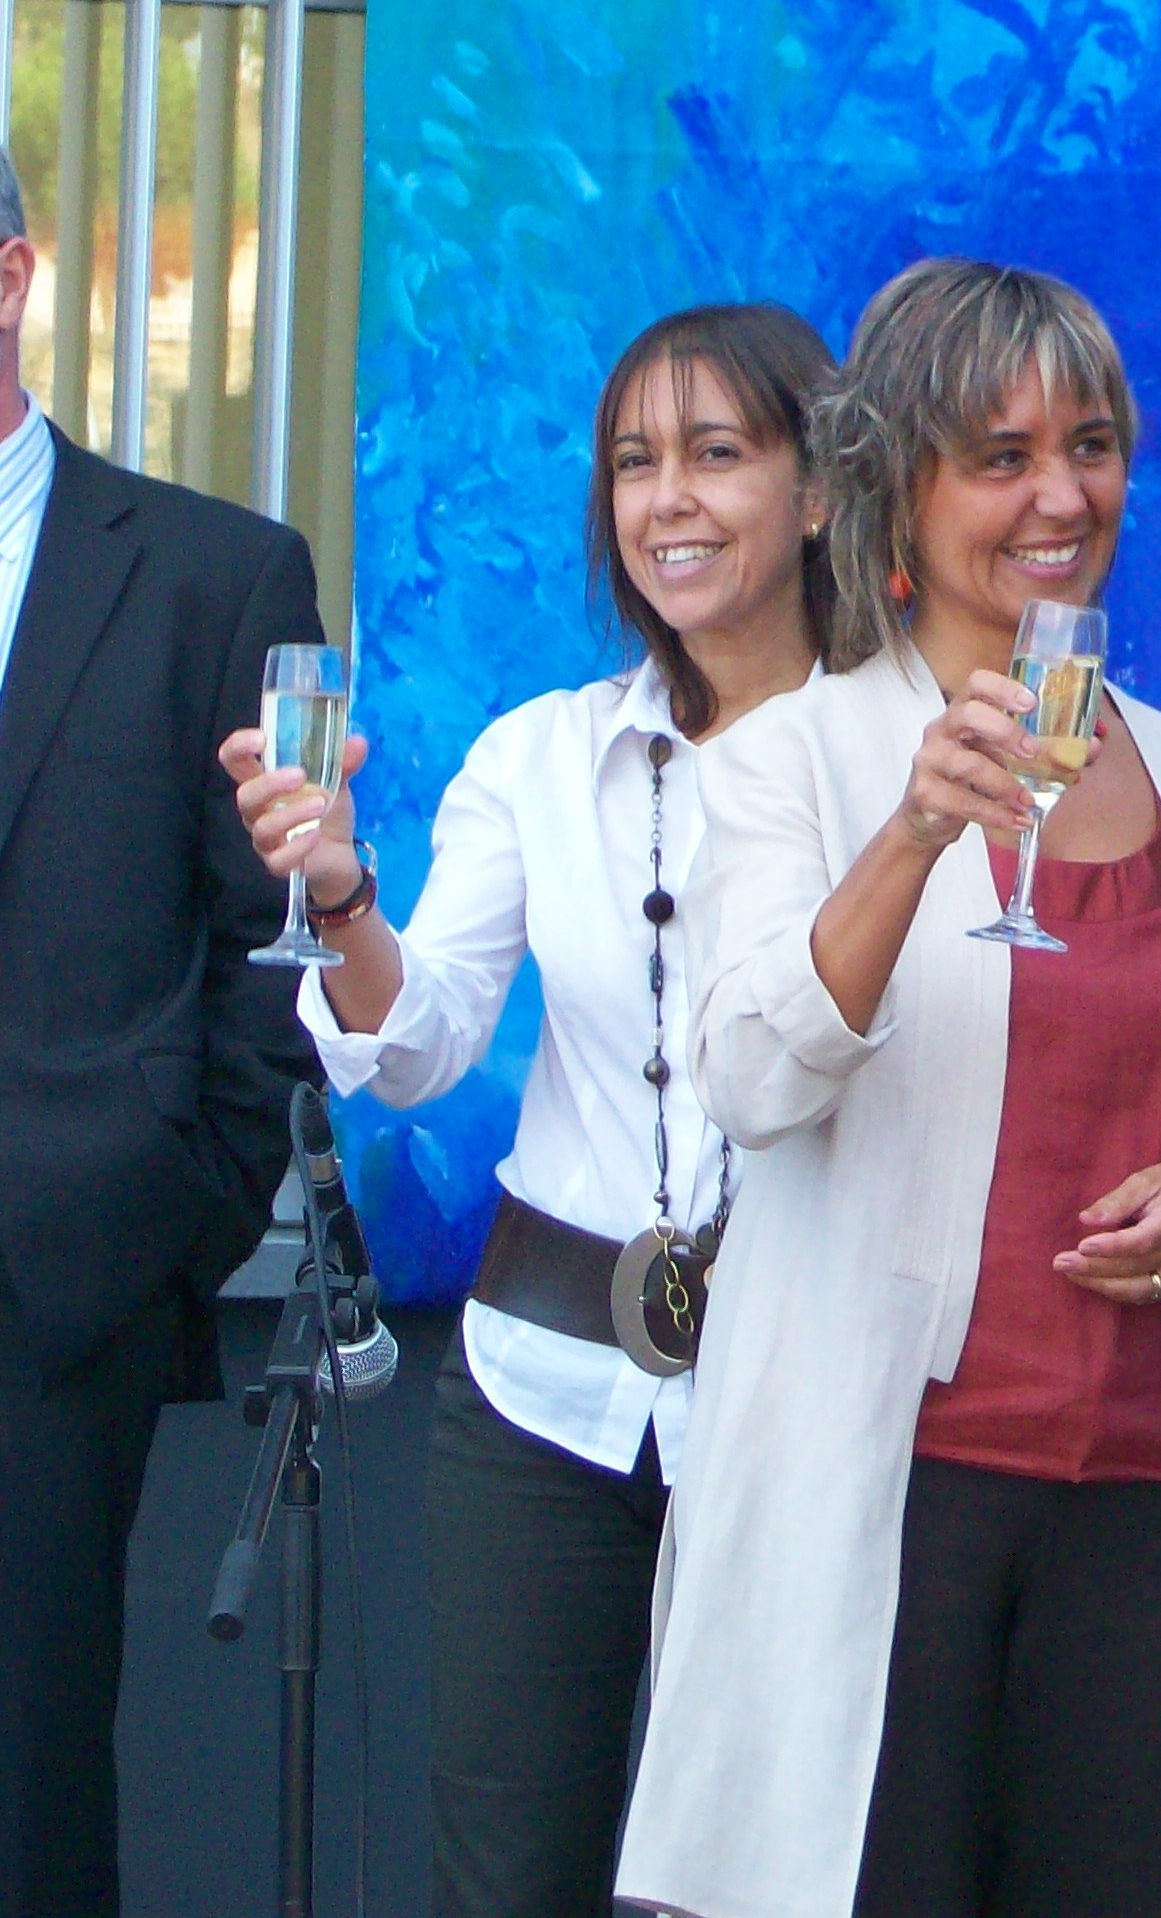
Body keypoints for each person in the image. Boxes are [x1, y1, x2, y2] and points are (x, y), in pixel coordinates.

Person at [617, 258, 1161, 1918]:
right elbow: (747, 1079)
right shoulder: (795, 756)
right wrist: (913, 832)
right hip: (878, 1494)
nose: (1061, 497)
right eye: (1001, 457)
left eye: (1091, 447)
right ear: (901, 486)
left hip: (1143, 1497)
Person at [221, 304, 835, 1916]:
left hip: (812, 1400)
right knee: (509, 1878)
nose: (667, 499)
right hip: (539, 1394)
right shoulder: (544, 754)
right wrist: (340, 892)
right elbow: (419, 1047)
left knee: (770, 1880)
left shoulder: (904, 763)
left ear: (822, 489)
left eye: (717, 452)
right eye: (634, 462)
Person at [0, 147, 326, 1916]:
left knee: (28, 1796)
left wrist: (166, 1209)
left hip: (51, 1291)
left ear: (11, 280)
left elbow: (278, 939)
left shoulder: (214, 572)